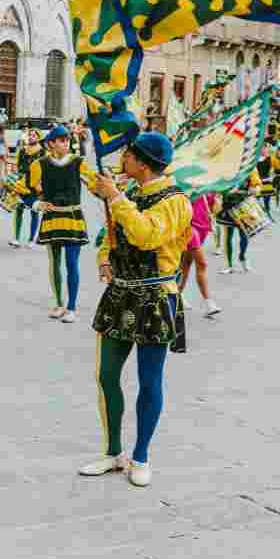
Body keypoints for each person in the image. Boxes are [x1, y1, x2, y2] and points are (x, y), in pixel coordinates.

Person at [80, 132, 193, 488]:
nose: (122, 160)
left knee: (150, 379)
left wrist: (114, 196)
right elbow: (108, 236)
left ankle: (141, 455)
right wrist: (103, 260)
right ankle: (113, 452)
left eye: (127, 156)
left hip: (155, 296)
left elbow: (147, 235)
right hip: (120, 294)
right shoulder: (130, 194)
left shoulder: (176, 202)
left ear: (142, 162)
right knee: (106, 374)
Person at [19, 126, 96, 321]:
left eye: (67, 140)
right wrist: (36, 203)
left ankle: (71, 308)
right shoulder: (39, 165)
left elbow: (95, 183)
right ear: (51, 143)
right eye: (61, 140)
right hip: (52, 219)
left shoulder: (79, 163)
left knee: (72, 263)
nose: (66, 143)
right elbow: (22, 188)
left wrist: (110, 183)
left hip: (73, 219)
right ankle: (59, 303)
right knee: (54, 264)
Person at [179, 191, 221, 317]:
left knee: (186, 264)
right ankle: (209, 303)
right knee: (202, 263)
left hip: (202, 227)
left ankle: (177, 295)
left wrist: (218, 200)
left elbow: (215, 209)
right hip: (190, 228)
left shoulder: (209, 187)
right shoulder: (185, 185)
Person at [214, 168, 260, 274]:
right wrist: (218, 194)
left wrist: (255, 189)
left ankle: (242, 257)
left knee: (244, 235)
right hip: (227, 205)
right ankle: (228, 265)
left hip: (243, 206)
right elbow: (217, 184)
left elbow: (257, 184)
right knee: (227, 237)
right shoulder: (226, 166)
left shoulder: (250, 166)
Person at [10, 129, 44, 248]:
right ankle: (16, 238)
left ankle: (31, 239)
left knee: (34, 212)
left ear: (38, 137)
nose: (31, 137)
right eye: (30, 135)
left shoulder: (42, 152)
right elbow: (17, 165)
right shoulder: (23, 150)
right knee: (18, 210)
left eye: (34, 135)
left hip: (35, 187)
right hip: (21, 185)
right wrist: (15, 172)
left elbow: (45, 170)